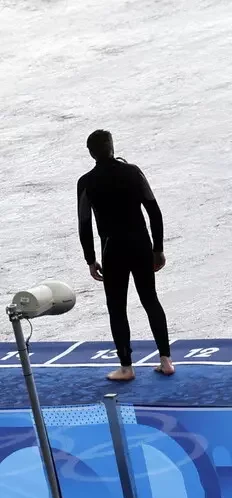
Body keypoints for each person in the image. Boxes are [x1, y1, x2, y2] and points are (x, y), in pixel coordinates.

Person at [77, 129, 174, 381]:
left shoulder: (86, 182)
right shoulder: (133, 172)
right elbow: (154, 211)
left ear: (91, 153)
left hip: (113, 249)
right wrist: (158, 248)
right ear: (112, 147)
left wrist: (90, 259)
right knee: (150, 299)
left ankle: (126, 368)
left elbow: (84, 224)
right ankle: (166, 360)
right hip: (141, 244)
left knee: (117, 308)